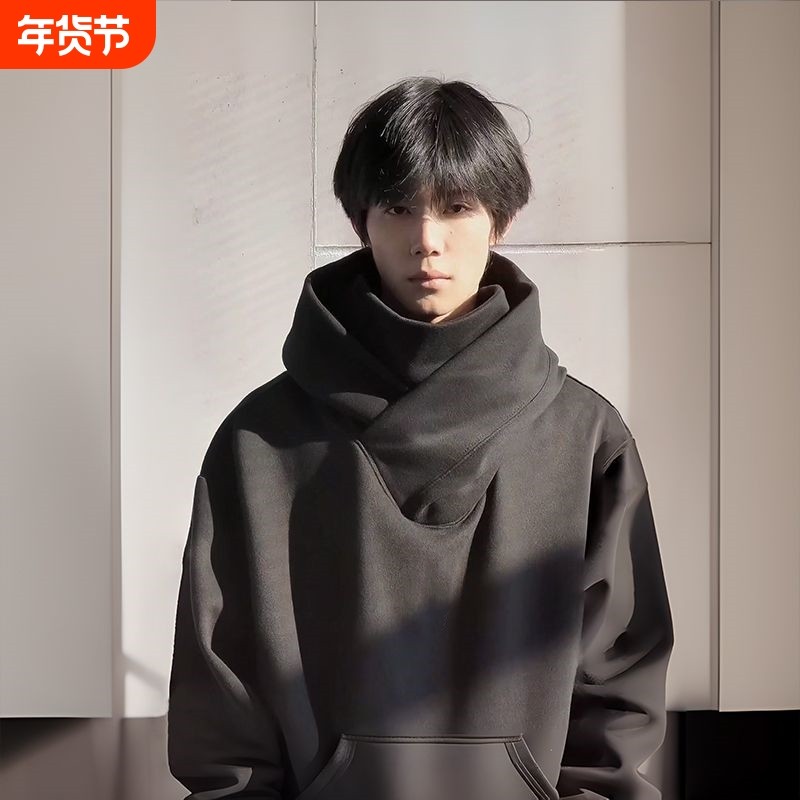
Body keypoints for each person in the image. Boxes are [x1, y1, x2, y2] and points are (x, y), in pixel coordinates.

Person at [167, 76, 674, 800]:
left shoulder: (584, 437)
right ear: (361, 221)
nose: (427, 241)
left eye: (457, 207)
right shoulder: (261, 444)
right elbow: (221, 696)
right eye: (399, 207)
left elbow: (618, 692)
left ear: (500, 220)